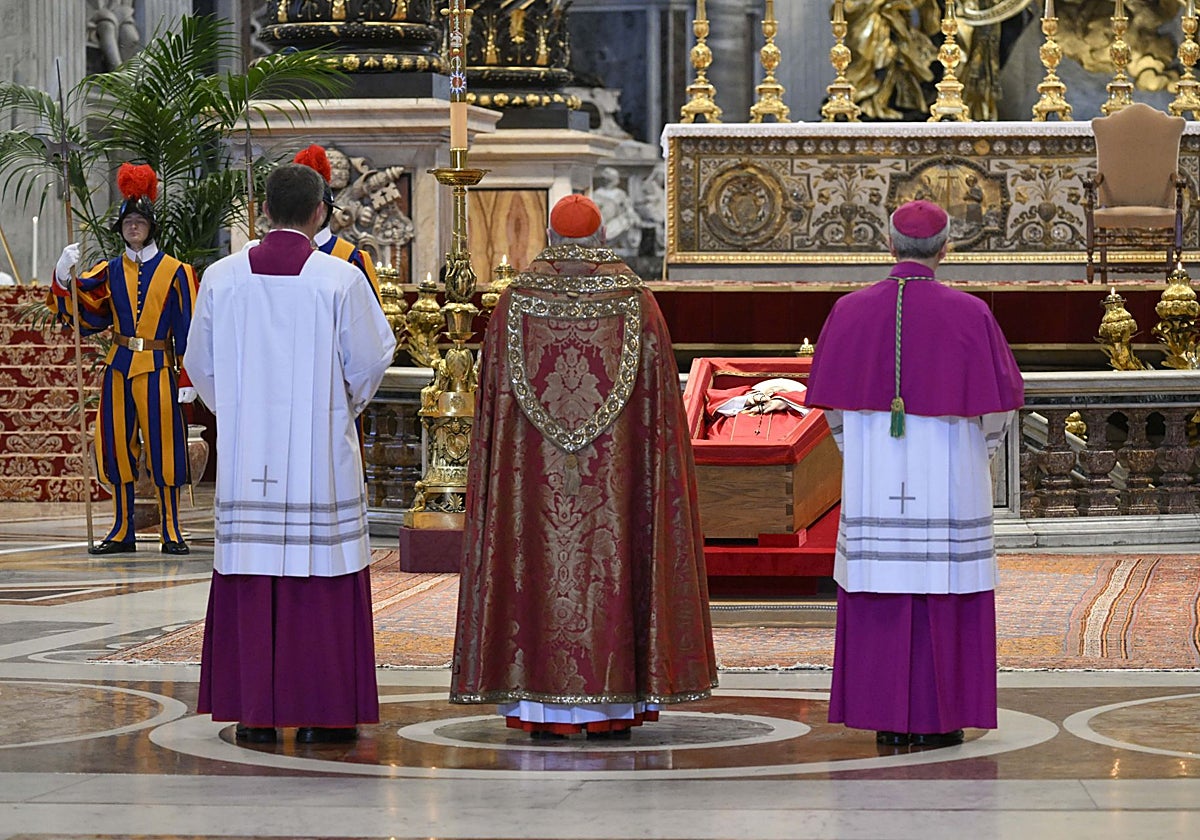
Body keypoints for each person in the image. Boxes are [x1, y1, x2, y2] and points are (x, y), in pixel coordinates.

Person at [451, 194, 718, 740]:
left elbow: (493, 414)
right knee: (605, 555)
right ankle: (612, 703)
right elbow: (661, 415)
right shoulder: (637, 303)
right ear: (599, 236)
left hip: (535, 489)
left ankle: (537, 704)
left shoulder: (514, 304)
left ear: (552, 235)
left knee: (538, 553)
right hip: (611, 493)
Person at [185, 163, 396, 744]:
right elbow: (373, 358)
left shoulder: (222, 278)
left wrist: (240, 411)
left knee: (252, 570)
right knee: (320, 571)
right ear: (320, 211)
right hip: (317, 457)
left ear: (264, 211)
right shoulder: (338, 279)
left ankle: (254, 709)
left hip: (249, 457)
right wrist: (339, 407)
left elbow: (198, 362)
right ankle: (322, 714)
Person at [804, 199, 1025, 748]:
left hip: (874, 475)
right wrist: (980, 455)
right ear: (946, 248)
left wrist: (860, 450)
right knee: (944, 589)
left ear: (889, 245)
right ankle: (941, 717)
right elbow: (997, 410)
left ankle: (886, 718)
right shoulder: (971, 313)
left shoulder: (848, 311)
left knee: (881, 586)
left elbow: (833, 411)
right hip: (950, 481)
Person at [51, 163, 198, 555]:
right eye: (128, 222)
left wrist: (189, 378)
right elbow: (87, 315)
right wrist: (64, 278)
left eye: (140, 221)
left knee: (165, 447)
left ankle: (171, 528)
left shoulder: (177, 272)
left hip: (158, 367)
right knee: (116, 446)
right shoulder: (109, 270)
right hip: (118, 366)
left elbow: (189, 327)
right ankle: (121, 529)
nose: (134, 227)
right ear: (121, 228)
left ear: (151, 226)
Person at [292, 144, 383, 304]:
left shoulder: (352, 257)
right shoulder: (278, 255)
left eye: (315, 205)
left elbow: (370, 322)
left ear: (325, 208)